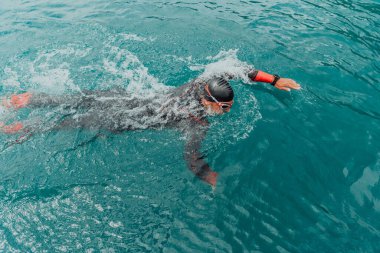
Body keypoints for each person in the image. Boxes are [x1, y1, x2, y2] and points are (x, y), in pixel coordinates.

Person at [1, 69, 300, 186]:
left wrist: (273, 80)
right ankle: (12, 129)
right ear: (209, 101)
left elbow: (237, 71)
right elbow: (192, 159)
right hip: (120, 119)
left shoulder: (197, 83)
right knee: (60, 126)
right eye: (224, 107)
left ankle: (22, 99)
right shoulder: (195, 122)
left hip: (122, 97)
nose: (228, 111)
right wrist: (212, 178)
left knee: (71, 100)